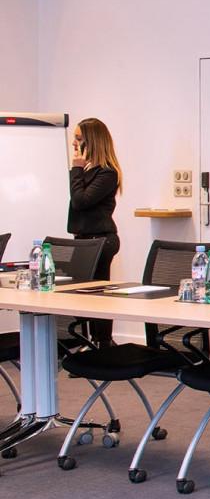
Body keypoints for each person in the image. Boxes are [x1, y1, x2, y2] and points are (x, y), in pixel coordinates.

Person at [69, 117, 123, 346]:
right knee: (84, 295)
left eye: (79, 138)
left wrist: (76, 169)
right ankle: (90, 343)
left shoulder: (107, 172)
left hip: (101, 239)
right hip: (83, 239)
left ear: (92, 141)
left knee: (98, 294)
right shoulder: (88, 170)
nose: (74, 143)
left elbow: (81, 201)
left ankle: (102, 342)